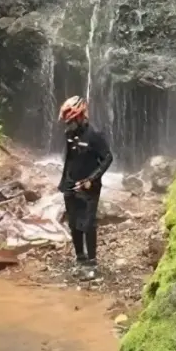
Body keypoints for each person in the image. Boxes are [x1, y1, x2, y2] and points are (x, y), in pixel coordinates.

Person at [57, 96, 113, 280]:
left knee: (88, 224)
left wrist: (92, 179)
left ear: (80, 116)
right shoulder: (69, 134)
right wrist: (64, 182)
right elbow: (69, 159)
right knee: (73, 224)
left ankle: (92, 264)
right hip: (71, 183)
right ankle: (79, 259)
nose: (69, 124)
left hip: (90, 187)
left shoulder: (94, 135)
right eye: (67, 122)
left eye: (72, 120)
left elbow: (107, 158)